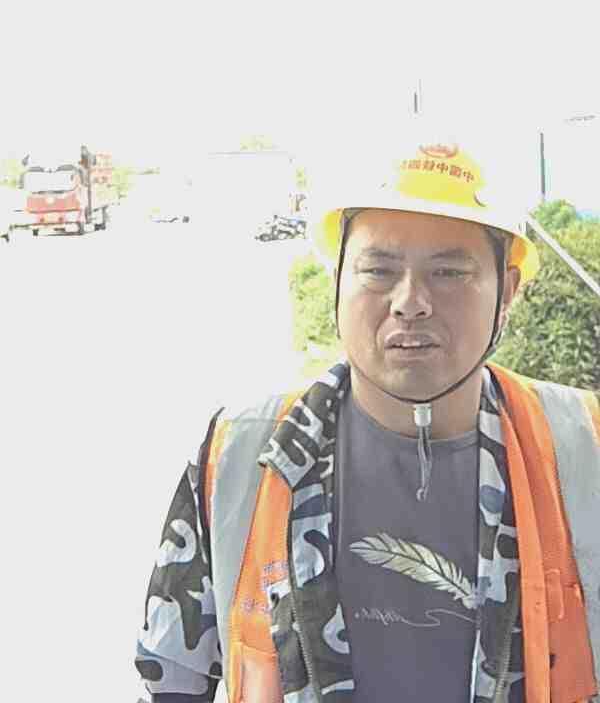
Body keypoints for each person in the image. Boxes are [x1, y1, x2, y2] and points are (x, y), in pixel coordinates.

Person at [134, 134, 600, 703]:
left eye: (449, 272)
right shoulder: (239, 453)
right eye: (378, 270)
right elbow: (173, 680)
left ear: (508, 291)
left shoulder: (584, 446)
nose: (410, 302)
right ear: (337, 280)